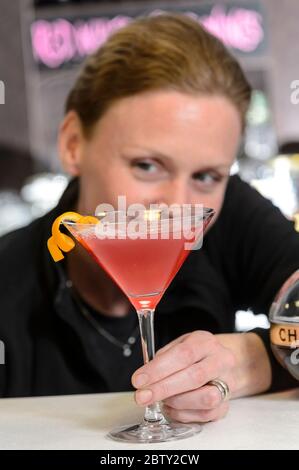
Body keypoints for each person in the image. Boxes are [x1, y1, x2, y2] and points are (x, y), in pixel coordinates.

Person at [0, 14, 298, 424]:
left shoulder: (232, 214)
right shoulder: (9, 280)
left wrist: (259, 357)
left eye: (207, 176)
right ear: (73, 144)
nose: (177, 208)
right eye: (146, 165)